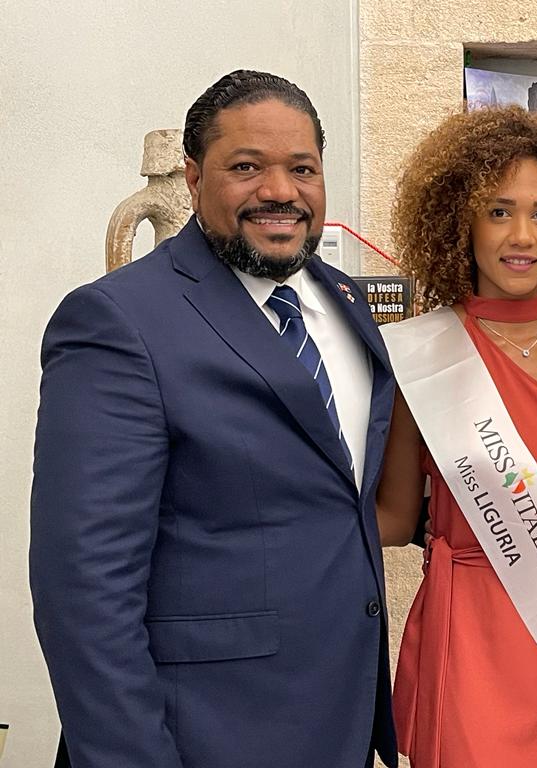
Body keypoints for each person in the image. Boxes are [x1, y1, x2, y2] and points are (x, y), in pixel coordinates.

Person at [30, 70, 397, 768]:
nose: (281, 191)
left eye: (302, 169)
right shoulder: (117, 321)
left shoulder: (347, 303)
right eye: (246, 167)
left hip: (336, 721)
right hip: (201, 733)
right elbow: (83, 589)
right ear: (195, 179)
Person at [377, 105, 537, 768]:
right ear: (459, 221)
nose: (522, 236)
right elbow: (395, 518)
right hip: (466, 642)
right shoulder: (419, 355)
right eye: (498, 211)